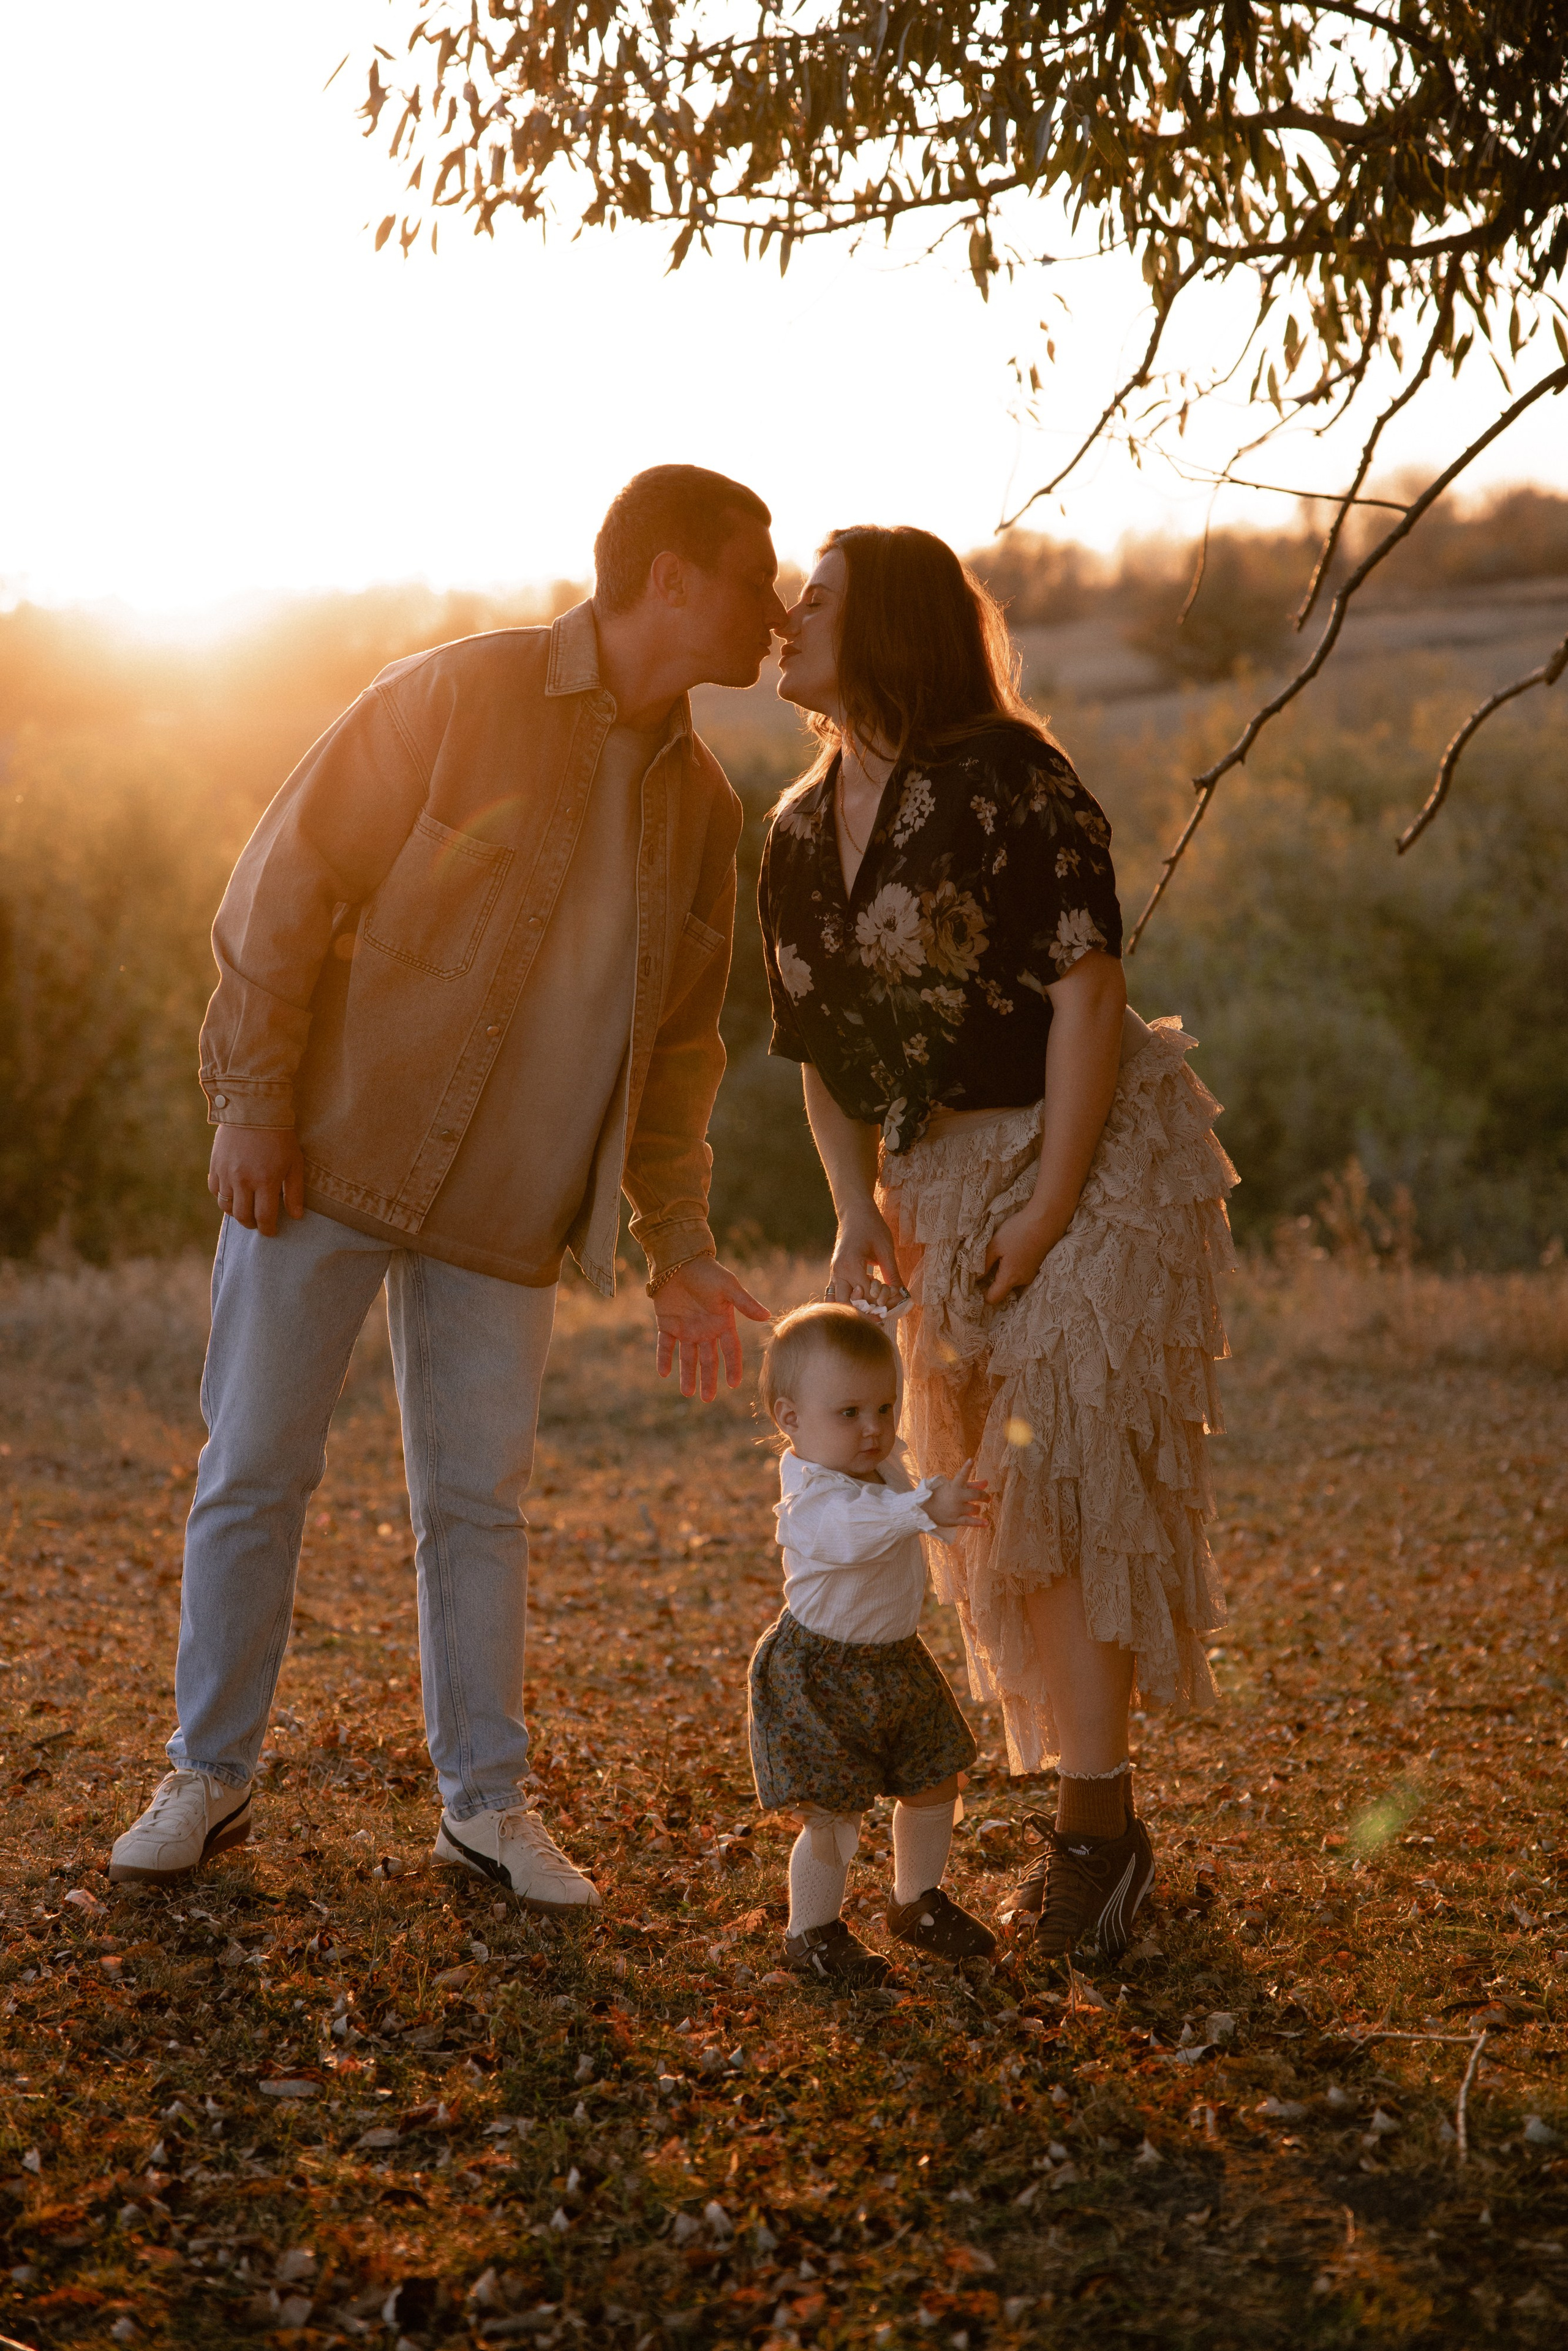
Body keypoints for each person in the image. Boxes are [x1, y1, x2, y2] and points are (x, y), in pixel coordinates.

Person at [108, 465, 778, 1904]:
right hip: (326, 1162)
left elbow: (678, 1054)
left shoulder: (709, 812)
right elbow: (280, 891)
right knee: (250, 1472)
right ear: (669, 579)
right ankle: (207, 1776)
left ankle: (483, 1801)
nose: (772, 609)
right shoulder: (454, 698)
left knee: (476, 1504)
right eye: (750, 575)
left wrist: (676, 1240)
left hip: (510, 1211)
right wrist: (249, 1104)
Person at [758, 526, 1237, 1964]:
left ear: (891, 619)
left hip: (1092, 1148)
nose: (788, 616)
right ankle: (1097, 1821)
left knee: (1071, 1458)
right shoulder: (790, 826)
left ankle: (1097, 1838)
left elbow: (1087, 998)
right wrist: (854, 1206)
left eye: (819, 598)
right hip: (937, 1180)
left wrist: (1045, 1209)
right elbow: (815, 1054)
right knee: (998, 1509)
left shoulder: (1015, 778)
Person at [748, 1302, 994, 1985]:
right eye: (849, 1413)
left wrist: (938, 1502)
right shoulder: (811, 1498)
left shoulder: (879, 1468)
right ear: (790, 1419)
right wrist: (920, 1508)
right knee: (832, 1815)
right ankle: (811, 1932)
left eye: (885, 1408)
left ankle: (915, 1901)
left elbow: (905, 1497)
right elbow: (857, 1530)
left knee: (934, 1776)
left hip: (894, 1660)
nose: (874, 1429)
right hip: (820, 1671)